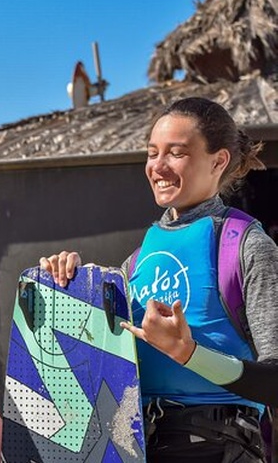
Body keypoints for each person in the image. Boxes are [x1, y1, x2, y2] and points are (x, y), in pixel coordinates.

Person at [40, 97, 278, 462]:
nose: (158, 166)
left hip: (219, 448)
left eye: (176, 153)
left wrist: (189, 353)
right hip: (135, 447)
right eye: (152, 153)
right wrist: (71, 285)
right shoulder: (135, 263)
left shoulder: (246, 247)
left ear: (218, 161)